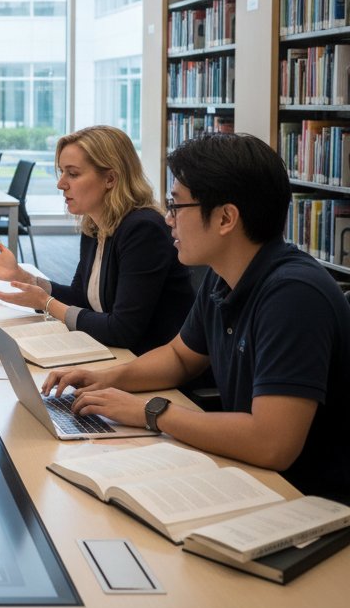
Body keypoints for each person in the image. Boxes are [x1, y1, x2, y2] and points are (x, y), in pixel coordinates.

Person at [44, 133, 350, 502]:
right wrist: (103, 379)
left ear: (225, 218)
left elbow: (273, 444)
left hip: (308, 501)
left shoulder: (293, 295)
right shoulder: (223, 276)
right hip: (254, 477)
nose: (168, 220)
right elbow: (178, 357)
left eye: (177, 207)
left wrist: (150, 411)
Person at [0, 125, 193, 353]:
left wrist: (47, 304)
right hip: (117, 355)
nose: (60, 184)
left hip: (151, 367)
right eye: (61, 172)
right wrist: (23, 277)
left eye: (72, 174)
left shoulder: (143, 229)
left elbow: (123, 330)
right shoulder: (94, 224)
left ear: (110, 179)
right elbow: (81, 298)